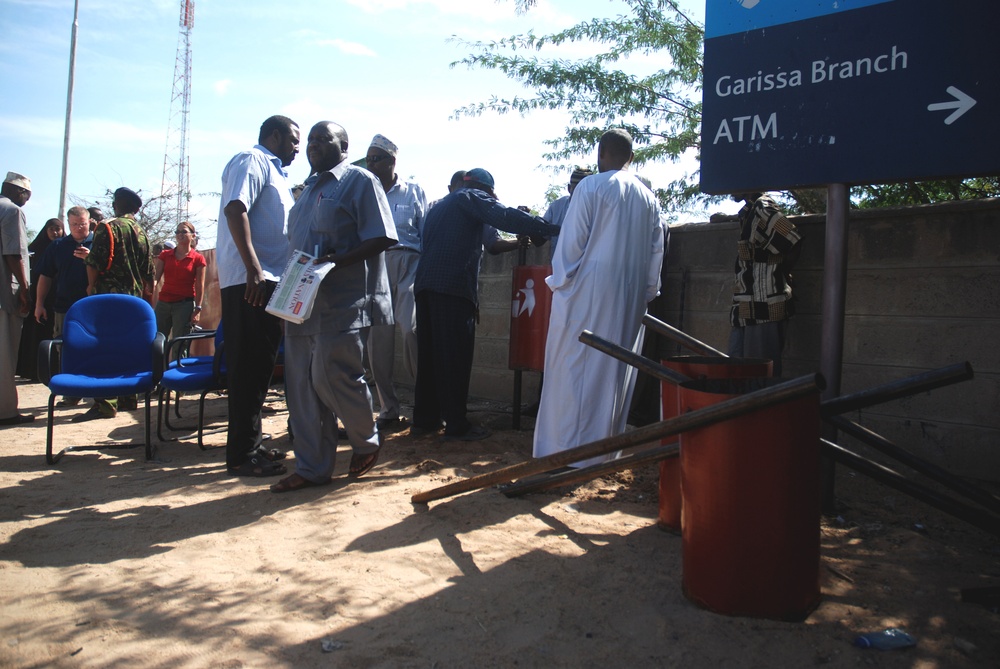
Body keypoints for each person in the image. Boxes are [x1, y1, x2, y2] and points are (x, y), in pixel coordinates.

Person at [269, 121, 397, 493]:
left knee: (332, 376)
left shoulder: (359, 181)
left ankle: (367, 440)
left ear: (343, 144)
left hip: (342, 301)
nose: (312, 145)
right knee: (302, 391)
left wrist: (336, 261)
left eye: (322, 138)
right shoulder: (306, 193)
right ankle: (312, 468)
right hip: (300, 305)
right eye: (309, 139)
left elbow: (382, 236)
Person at [533, 129, 665, 467]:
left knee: (573, 367)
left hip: (586, 292)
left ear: (600, 152)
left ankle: (564, 452)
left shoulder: (591, 186)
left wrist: (561, 283)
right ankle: (604, 453)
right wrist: (645, 294)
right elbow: (655, 255)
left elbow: (572, 244)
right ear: (631, 157)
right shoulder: (649, 199)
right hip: (630, 297)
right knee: (613, 372)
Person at [412, 168, 558, 441]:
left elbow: (491, 244)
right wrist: (546, 228)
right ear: (487, 190)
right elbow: (502, 216)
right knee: (455, 357)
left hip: (425, 287)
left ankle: (424, 420)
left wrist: (519, 238)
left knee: (430, 357)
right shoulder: (471, 197)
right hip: (452, 288)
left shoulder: (440, 207)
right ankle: (457, 425)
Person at [217, 115, 299, 477]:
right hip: (252, 281)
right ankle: (240, 455)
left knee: (261, 367)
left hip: (270, 280)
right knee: (248, 367)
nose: (298, 147)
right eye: (293, 140)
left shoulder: (278, 173)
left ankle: (251, 443)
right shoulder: (253, 160)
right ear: (275, 136)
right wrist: (253, 268)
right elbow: (236, 208)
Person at [364, 134, 428, 434]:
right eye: (368, 159)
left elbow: (426, 233)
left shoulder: (413, 191)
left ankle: (424, 403)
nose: (370, 164)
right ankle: (389, 409)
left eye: (376, 159)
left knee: (411, 330)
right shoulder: (364, 192)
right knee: (379, 341)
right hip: (375, 265)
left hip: (409, 264)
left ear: (392, 161)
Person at [77, 187, 154, 421]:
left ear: (119, 204)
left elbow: (97, 262)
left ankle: (105, 403)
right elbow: (149, 273)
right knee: (129, 346)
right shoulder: (142, 232)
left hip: (109, 297)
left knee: (106, 347)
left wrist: (90, 285)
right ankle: (129, 397)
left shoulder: (108, 227)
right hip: (134, 299)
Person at [727, 191, 801, 377]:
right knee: (737, 375)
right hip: (746, 309)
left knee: (758, 377)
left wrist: (782, 273)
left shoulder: (763, 208)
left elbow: (792, 240)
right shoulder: (750, 210)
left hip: (764, 309)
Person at [34, 206, 93, 407]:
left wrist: (91, 258)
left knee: (94, 348)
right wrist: (39, 303)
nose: (78, 228)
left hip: (93, 308)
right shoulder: (58, 246)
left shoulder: (100, 243)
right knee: (65, 348)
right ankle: (71, 392)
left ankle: (96, 392)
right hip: (64, 306)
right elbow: (46, 276)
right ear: (68, 224)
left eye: (82, 224)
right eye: (74, 224)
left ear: (89, 222)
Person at [0, 171, 34, 426]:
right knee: (5, 354)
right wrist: (24, 288)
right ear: (18, 191)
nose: (27, 200)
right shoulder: (11, 211)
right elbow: (14, 255)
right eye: (27, 194)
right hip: (4, 296)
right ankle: (6, 412)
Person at [16, 217, 64, 380]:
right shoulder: (36, 249)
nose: (55, 232)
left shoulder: (67, 247)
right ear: (46, 230)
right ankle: (33, 371)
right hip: (40, 297)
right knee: (36, 334)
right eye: (52, 229)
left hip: (59, 298)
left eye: (58, 229)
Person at [153, 220, 206, 348]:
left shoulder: (198, 258)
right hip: (163, 304)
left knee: (180, 344)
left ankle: (177, 368)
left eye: (184, 232)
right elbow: (156, 278)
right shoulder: (165, 255)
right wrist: (150, 287)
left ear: (193, 235)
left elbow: (200, 285)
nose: (180, 234)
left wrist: (198, 309)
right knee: (157, 342)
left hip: (184, 305)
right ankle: (158, 368)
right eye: (177, 232)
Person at [539, 166, 594, 258]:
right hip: (559, 270)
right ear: (569, 188)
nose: (581, 195)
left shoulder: (600, 210)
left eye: (585, 191)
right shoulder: (557, 207)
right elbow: (540, 237)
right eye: (577, 190)